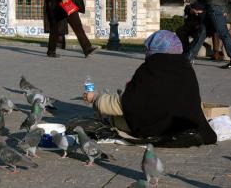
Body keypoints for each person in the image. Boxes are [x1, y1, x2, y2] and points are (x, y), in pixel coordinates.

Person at [83, 30, 217, 145]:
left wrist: (96, 98)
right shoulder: (186, 67)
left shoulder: (151, 68)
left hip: (157, 128)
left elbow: (124, 105)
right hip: (187, 125)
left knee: (113, 117)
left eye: (148, 49)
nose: (146, 53)